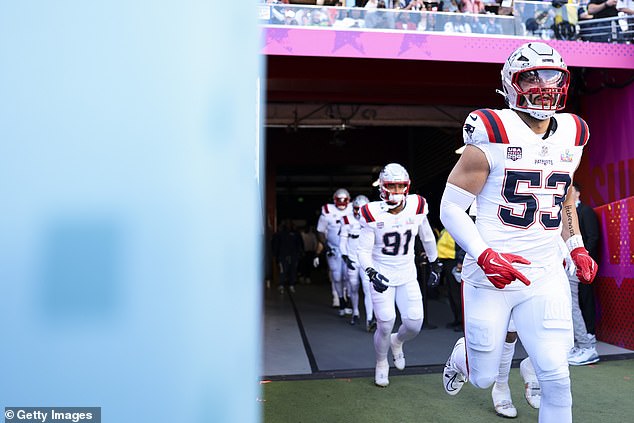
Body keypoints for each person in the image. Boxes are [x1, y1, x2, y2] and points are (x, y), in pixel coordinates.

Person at [439, 42, 598, 423]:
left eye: (552, 76)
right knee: (481, 377)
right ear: (511, 84)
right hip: (491, 275)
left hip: (544, 272)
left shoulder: (574, 132)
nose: (543, 85)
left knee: (558, 376)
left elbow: (561, 196)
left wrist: (574, 245)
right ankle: (463, 358)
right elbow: (450, 206)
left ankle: (536, 373)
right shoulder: (491, 130)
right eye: (532, 76)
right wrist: (483, 254)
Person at [357, 163, 442, 387]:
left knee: (414, 324)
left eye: (399, 186)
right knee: (385, 323)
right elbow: (363, 251)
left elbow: (427, 237)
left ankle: (397, 341)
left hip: (406, 274)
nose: (395, 191)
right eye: (391, 186)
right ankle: (381, 363)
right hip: (382, 273)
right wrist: (371, 272)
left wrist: (435, 263)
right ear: (382, 188)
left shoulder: (417, 205)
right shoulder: (370, 211)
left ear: (407, 187)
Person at [340, 195, 376, 330]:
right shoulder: (346, 220)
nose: (359, 212)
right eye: (356, 209)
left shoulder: (372, 219)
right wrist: (345, 257)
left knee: (368, 288)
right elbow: (342, 241)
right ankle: (355, 311)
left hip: (365, 259)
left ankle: (369, 318)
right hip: (352, 258)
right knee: (354, 287)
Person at [316, 188, 353, 314]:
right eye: (339, 200)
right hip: (334, 249)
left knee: (348, 276)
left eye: (344, 200)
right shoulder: (327, 211)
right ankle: (338, 297)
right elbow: (320, 231)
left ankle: (346, 297)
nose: (342, 203)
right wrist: (325, 246)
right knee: (336, 276)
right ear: (334, 200)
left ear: (349, 200)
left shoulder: (354, 209)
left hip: (349, 249)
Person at [436, 228, 463, 331]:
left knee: (457, 293)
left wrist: (460, 261)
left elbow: (463, 245)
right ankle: (457, 319)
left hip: (455, 261)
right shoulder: (445, 228)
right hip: (447, 260)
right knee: (451, 293)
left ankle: (462, 322)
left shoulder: (459, 226)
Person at [271, 220, 304, 294]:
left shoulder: (295, 234)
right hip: (283, 256)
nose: (288, 226)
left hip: (293, 255)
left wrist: (300, 253)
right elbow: (275, 245)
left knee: (293, 270)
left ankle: (291, 284)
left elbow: (300, 244)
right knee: (283, 270)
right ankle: (281, 285)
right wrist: (275, 255)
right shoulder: (279, 234)